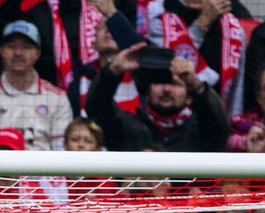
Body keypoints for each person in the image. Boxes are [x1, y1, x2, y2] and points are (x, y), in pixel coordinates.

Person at [85, 39, 229, 152]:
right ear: (147, 91)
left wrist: (196, 84)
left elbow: (220, 123)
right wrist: (114, 70)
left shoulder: (203, 130)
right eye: (159, 83)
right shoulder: (126, 128)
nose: (166, 89)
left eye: (175, 84)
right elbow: (96, 108)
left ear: (189, 95)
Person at [0, 19, 73, 149]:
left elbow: (62, 150)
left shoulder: (57, 98)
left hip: (45, 168)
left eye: (26, 47)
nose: (18, 53)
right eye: (11, 46)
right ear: (1, 51)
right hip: (2, 167)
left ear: (37, 53)